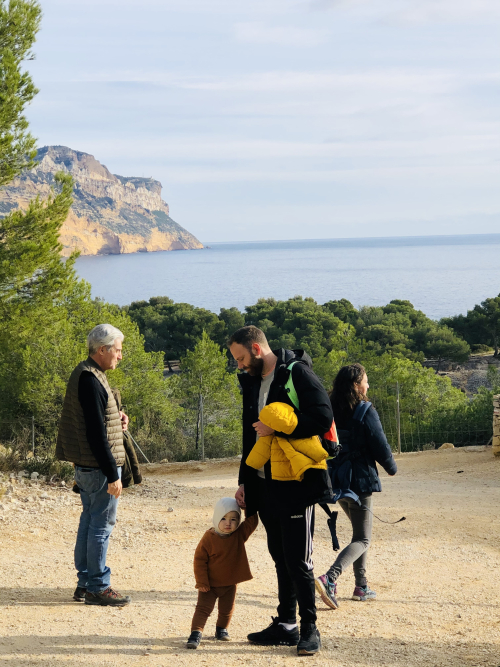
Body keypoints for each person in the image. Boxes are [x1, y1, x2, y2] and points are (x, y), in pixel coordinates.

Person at [228, 326, 334, 656]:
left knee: (298, 560)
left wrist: (280, 426)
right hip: (263, 483)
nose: (240, 366)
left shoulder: (296, 373)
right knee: (279, 555)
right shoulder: (252, 381)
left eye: (242, 358)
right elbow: (251, 435)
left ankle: (309, 629)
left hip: (295, 483)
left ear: (257, 349)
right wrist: (244, 480)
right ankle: (287, 624)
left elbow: (323, 417)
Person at [56, 323, 131, 607]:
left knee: (89, 521)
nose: (120, 356)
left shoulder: (88, 373)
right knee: (101, 524)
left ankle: (85, 583)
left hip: (88, 466)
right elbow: (95, 434)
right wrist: (113, 474)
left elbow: (98, 419)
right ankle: (98, 586)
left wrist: (118, 417)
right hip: (98, 468)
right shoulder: (90, 379)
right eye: (118, 350)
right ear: (103, 350)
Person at [315, 363, 397, 610]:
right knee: (363, 538)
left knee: (359, 534)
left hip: (338, 480)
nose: (368, 385)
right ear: (355, 385)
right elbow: (380, 445)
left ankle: (361, 586)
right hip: (360, 481)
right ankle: (330, 578)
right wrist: (391, 468)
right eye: (365, 381)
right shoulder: (365, 410)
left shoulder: (328, 408)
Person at [186, 497, 258, 649]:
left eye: (234, 519)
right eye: (224, 518)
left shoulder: (238, 535)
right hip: (209, 585)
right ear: (216, 517)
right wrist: (202, 582)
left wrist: (248, 507)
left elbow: (252, 522)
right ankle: (196, 633)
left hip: (230, 583)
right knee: (203, 609)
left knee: (226, 609)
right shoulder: (209, 538)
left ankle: (221, 629)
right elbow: (199, 561)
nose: (228, 523)